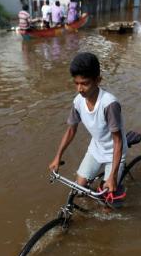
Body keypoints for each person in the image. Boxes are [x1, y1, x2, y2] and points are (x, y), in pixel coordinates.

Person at [49, 52, 128, 208]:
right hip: (96, 148)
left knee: (109, 202)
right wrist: (57, 157)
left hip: (114, 152)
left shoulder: (109, 104)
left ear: (98, 80)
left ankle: (110, 200)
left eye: (84, 83)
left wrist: (112, 176)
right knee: (79, 187)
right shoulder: (78, 102)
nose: (80, 89)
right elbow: (71, 130)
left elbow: (117, 141)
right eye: (76, 83)